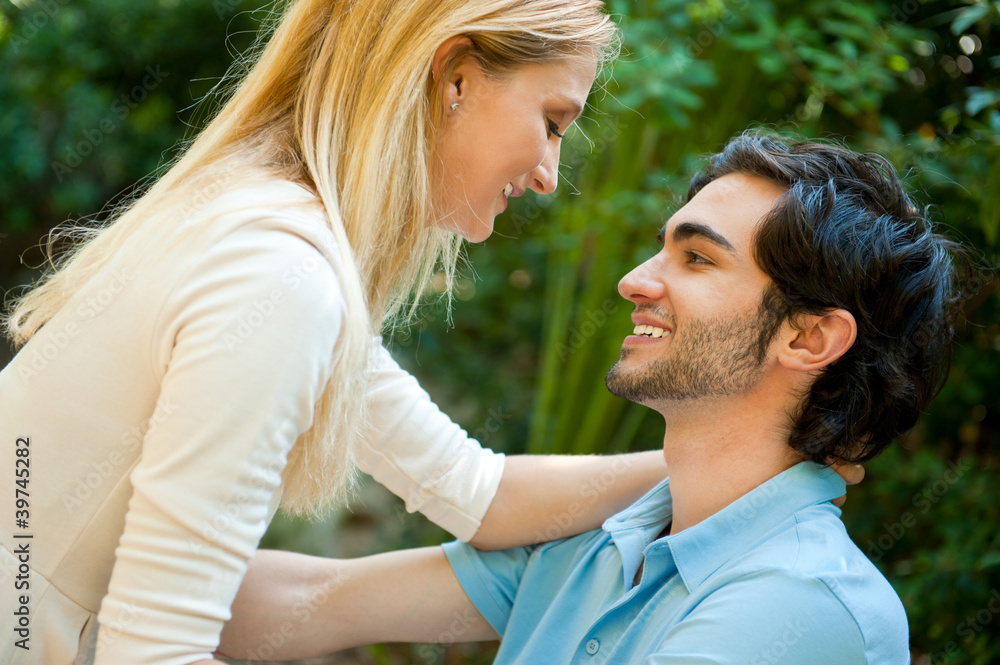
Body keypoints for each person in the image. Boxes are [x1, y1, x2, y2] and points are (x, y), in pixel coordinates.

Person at [0, 2, 688, 664]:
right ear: (455, 78)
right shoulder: (281, 277)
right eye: (552, 121)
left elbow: (477, 490)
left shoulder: (267, 233)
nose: (548, 174)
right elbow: (155, 651)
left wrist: (719, 465)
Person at [217, 131, 979, 664]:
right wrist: (117, 581)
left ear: (809, 340)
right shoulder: (605, 538)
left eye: (696, 258)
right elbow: (316, 598)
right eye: (663, 245)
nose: (636, 280)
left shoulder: (805, 602)